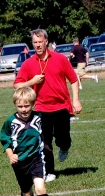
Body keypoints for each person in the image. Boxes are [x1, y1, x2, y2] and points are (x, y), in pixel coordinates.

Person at [14, 28, 81, 183]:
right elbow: (17, 85)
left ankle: (64, 146)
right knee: (44, 143)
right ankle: (50, 171)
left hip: (62, 106)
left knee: (62, 138)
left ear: (46, 42)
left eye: (40, 42)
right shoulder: (28, 64)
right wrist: (32, 82)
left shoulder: (60, 59)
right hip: (40, 108)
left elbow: (73, 79)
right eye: (35, 42)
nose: (37, 45)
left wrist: (75, 100)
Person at [0, 87, 54, 196]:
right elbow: (5, 140)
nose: (24, 109)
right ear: (15, 105)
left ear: (33, 104)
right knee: (27, 191)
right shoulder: (10, 122)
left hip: (36, 158)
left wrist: (46, 146)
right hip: (19, 162)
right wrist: (10, 155)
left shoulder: (38, 118)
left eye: (27, 106)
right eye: (20, 106)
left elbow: (45, 132)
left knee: (41, 188)